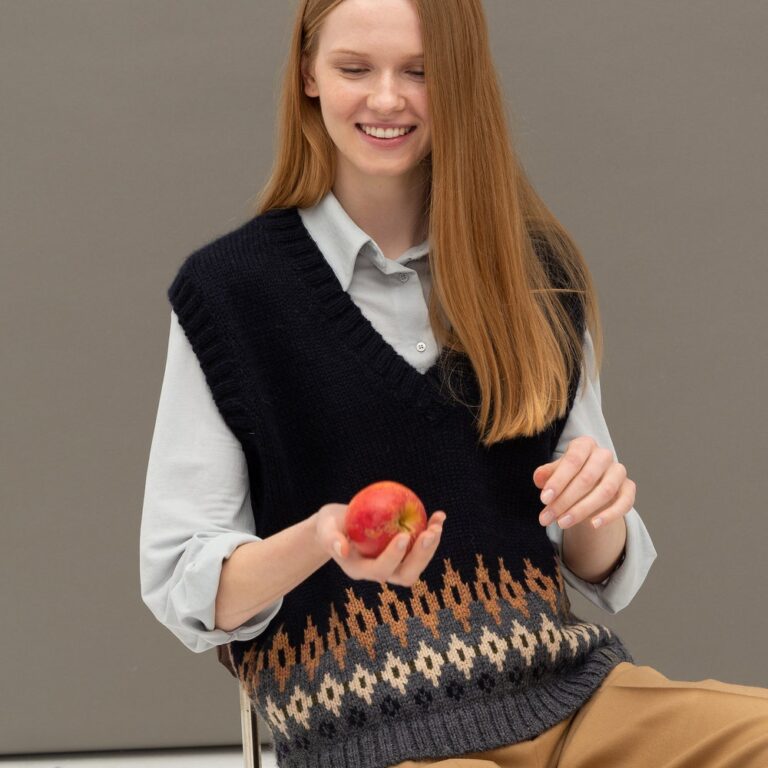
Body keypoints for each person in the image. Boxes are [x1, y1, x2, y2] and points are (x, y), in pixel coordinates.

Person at [139, 1, 768, 766]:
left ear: (462, 78)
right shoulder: (229, 292)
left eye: (420, 71)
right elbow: (183, 582)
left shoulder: (536, 273)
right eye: (354, 68)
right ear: (307, 73)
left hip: (575, 702)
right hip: (377, 739)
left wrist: (598, 504)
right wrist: (322, 538)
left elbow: (598, 563)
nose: (386, 98)